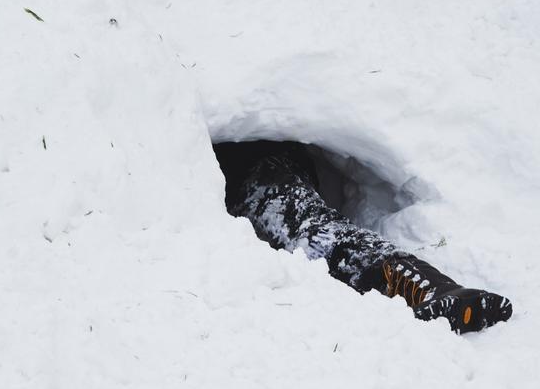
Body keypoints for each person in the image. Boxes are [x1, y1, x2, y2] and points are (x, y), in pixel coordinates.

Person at [215, 141, 513, 334]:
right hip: (259, 170)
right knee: (317, 229)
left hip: (260, 173)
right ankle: (428, 286)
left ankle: (431, 287)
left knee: (316, 232)